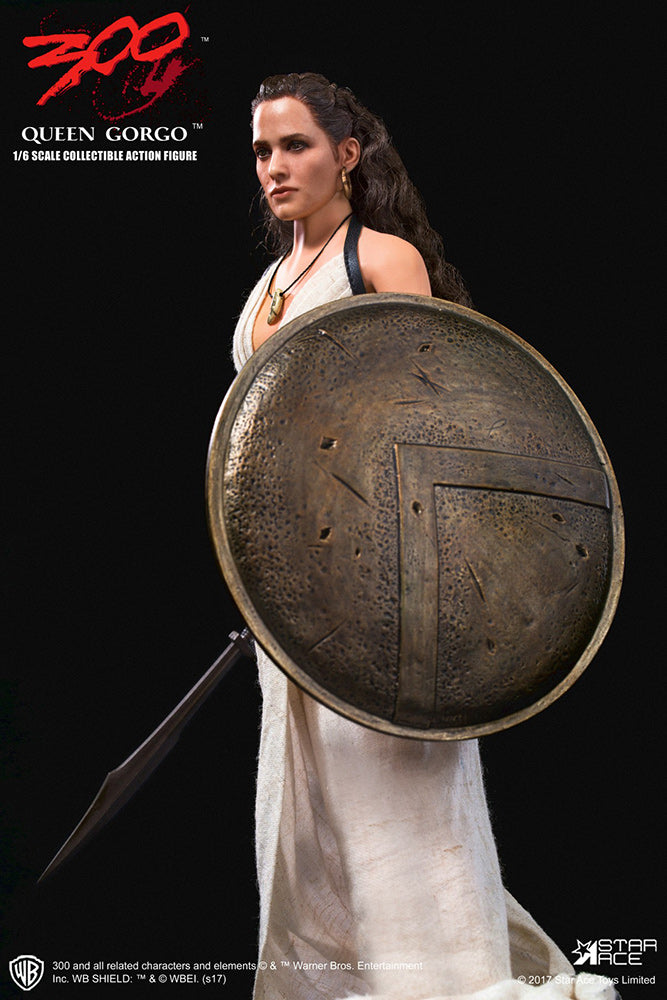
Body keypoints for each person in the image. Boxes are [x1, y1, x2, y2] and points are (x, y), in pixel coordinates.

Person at [232, 72, 617, 1000]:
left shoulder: (382, 261)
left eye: (295, 145)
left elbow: (429, 430)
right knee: (311, 812)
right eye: (261, 150)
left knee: (397, 803)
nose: (274, 166)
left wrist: (398, 584)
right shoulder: (268, 286)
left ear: (346, 155)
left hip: (388, 583)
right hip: (296, 589)